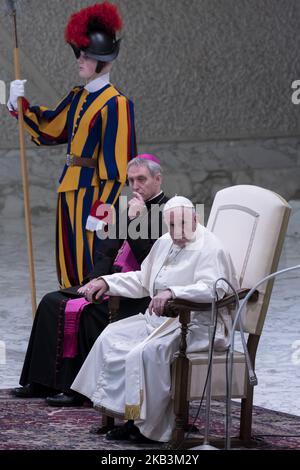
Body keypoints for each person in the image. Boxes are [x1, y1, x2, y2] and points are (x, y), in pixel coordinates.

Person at [71, 196, 239, 442]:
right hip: (159, 323)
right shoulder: (164, 242)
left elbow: (213, 289)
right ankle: (130, 417)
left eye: (183, 223)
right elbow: (142, 280)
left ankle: (151, 428)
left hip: (195, 325)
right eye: (171, 226)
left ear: (195, 218)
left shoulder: (210, 247)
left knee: (144, 353)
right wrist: (106, 281)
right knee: (111, 336)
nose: (178, 232)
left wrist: (174, 292)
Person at [12, 155, 168, 406]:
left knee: (88, 314)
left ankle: (76, 390)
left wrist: (136, 219)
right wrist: (96, 280)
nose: (136, 186)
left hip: (139, 292)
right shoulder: (125, 207)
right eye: (131, 180)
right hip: (109, 282)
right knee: (51, 301)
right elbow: (106, 251)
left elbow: (154, 260)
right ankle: (41, 381)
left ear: (158, 179)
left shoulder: (171, 211)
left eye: (142, 179)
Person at [8, 2, 136, 288]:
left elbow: (118, 169)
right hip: (69, 188)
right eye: (78, 53)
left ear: (102, 60)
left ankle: (88, 322)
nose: (79, 59)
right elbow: (50, 129)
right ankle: (67, 319)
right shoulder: (78, 96)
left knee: (90, 262)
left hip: (93, 195)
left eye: (86, 55)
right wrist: (19, 106)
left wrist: (102, 210)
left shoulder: (117, 104)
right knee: (68, 262)